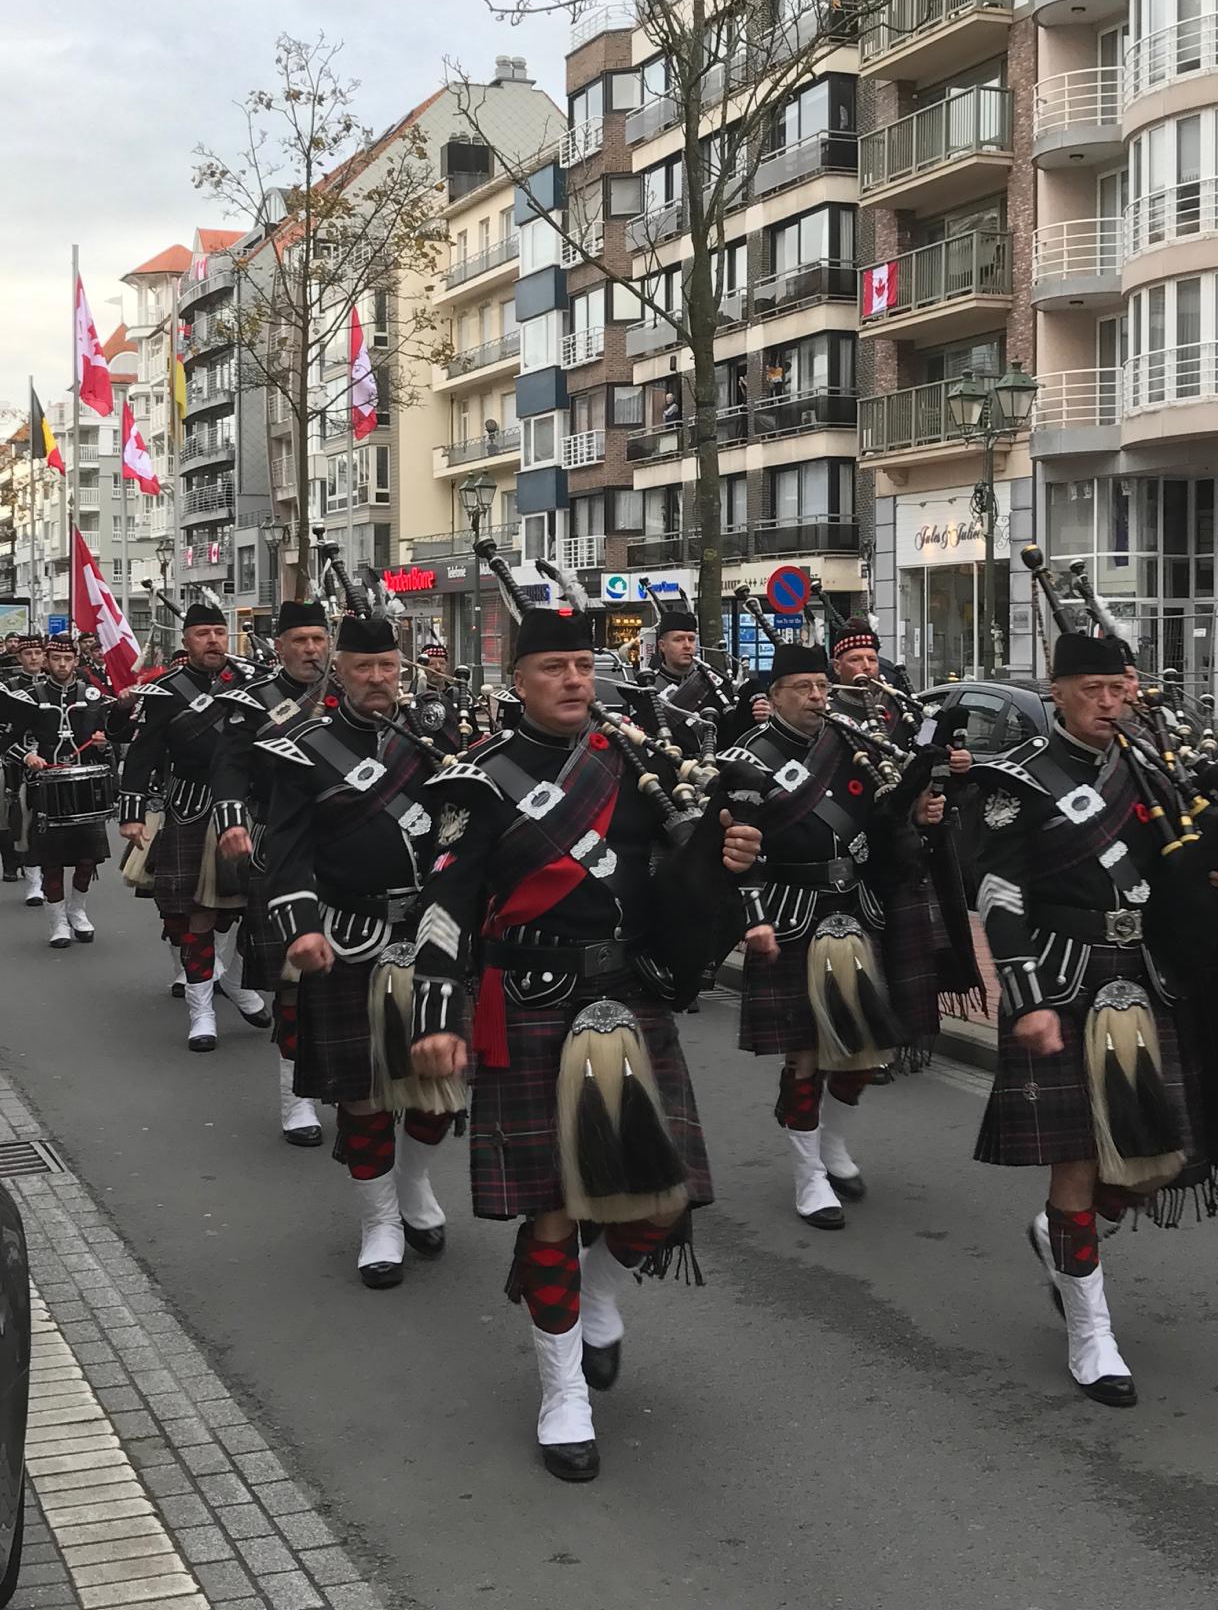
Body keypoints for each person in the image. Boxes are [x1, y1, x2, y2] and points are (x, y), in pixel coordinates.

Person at [408, 606, 762, 1483]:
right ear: (517, 679)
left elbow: (680, 875)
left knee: (659, 1201)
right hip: (527, 999)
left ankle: (600, 1296)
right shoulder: (476, 782)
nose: (575, 680)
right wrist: (436, 1019)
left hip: (627, 995)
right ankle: (561, 1390)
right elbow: (445, 908)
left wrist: (726, 865)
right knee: (555, 1209)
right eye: (555, 666)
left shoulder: (634, 760)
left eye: (583, 664)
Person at [971, 630, 1218, 1408]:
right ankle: (1091, 1334)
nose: (1111, 702)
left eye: (1121, 687)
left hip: (1145, 979)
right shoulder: (1018, 781)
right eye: (1094, 689)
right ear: (1058, 691)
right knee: (1076, 1162)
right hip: (1065, 982)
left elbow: (1189, 875)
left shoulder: (1156, 772)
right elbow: (1000, 899)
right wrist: (1026, 996)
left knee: (1153, 1160)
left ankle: (1057, 1239)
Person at [260, 614, 466, 1287]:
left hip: (431, 936)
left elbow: (465, 835)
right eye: (364, 668)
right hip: (351, 936)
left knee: (438, 1091)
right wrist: (301, 925)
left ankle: (411, 1182)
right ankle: (379, 1220)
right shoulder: (305, 747)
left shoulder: (435, 740)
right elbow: (286, 848)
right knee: (365, 1095)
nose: (379, 680)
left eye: (389, 667)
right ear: (338, 671)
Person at [733, 643, 947, 1228]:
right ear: (773, 696)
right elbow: (738, 849)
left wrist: (916, 802)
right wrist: (751, 915)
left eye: (820, 687)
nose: (816, 697)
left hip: (857, 909)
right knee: (806, 1052)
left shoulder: (851, 744)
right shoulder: (750, 758)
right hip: (794, 913)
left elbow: (882, 820)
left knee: (859, 1052)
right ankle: (807, 1177)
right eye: (801, 688)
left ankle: (831, 1148)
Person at [829, 618, 985, 1062]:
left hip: (914, 846)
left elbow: (928, 766)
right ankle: (871, 1038)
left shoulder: (901, 713)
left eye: (872, 659)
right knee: (871, 950)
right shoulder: (832, 716)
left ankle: (914, 1032)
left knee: (913, 947)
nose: (865, 667)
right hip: (862, 843)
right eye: (855, 659)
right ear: (837, 665)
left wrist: (951, 774)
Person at [118, 605, 272, 1050]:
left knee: (250, 911)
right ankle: (202, 1012)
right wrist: (130, 813)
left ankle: (238, 982)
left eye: (219, 632)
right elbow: (143, 754)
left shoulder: (252, 683)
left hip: (248, 809)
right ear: (185, 641)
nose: (213, 641)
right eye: (203, 633)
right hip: (192, 808)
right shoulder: (165, 691)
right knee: (199, 915)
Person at [210, 600, 332, 1146]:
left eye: (318, 639)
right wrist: (232, 819)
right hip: (281, 844)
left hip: (350, 849)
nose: (311, 649)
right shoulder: (255, 701)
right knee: (291, 983)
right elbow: (230, 765)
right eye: (300, 640)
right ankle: (296, 1101)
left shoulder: (355, 696)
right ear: (278, 647)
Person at [15, 634, 113, 946]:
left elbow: (113, 740)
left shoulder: (92, 696)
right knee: (51, 861)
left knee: (88, 859)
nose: (61, 664)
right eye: (55, 659)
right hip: (45, 787)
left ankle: (78, 910)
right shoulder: (30, 696)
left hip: (86, 789)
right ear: (46, 660)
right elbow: (7, 740)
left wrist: (105, 744)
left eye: (67, 659)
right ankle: (57, 921)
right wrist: (27, 756)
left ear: (76, 660)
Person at [5, 636, 54, 902]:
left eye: (38, 653)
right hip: (19, 761)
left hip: (50, 759)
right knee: (25, 820)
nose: (34, 658)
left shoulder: (54, 686)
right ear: (19, 658)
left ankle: (49, 875)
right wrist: (22, 754)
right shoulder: (10, 688)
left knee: (52, 820)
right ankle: (33, 879)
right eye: (28, 654)